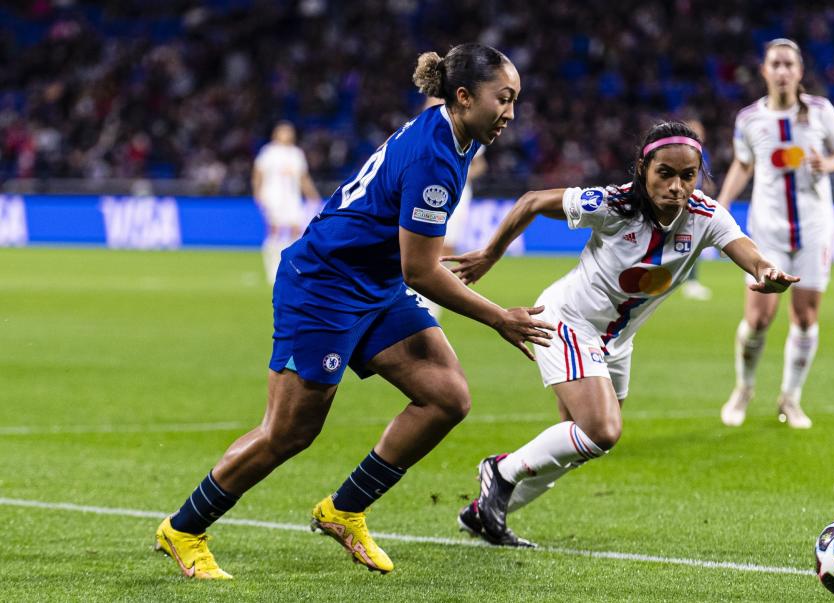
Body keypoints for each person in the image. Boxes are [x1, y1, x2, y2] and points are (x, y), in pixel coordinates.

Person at [154, 43, 553, 579]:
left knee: (446, 396)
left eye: (515, 101)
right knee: (289, 432)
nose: (511, 113)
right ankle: (184, 528)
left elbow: (407, 265)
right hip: (325, 285)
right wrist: (498, 317)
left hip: (376, 284)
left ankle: (345, 509)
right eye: (503, 100)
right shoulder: (437, 157)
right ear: (463, 96)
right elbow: (422, 271)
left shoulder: (451, 131)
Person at [445, 121, 799, 546]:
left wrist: (765, 270)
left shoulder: (704, 216)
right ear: (643, 168)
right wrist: (489, 255)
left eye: (688, 175)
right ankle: (500, 472)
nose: (677, 186)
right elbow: (533, 201)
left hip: (615, 343)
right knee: (602, 430)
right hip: (567, 322)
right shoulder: (613, 205)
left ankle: (485, 514)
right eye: (665, 173)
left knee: (575, 445)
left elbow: (744, 248)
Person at [716, 38, 834, 429]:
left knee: (806, 316)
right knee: (759, 318)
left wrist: (825, 163)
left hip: (813, 229)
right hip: (767, 232)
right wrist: (721, 206)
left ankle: (790, 399)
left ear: (799, 72)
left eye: (788, 65)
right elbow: (743, 165)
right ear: (764, 71)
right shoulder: (749, 120)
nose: (781, 71)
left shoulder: (820, 111)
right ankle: (744, 389)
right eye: (774, 64)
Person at [418, 96, 489, 319]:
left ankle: (433, 304)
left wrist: (460, 175)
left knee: (445, 248)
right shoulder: (422, 134)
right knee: (421, 247)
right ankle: (419, 300)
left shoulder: (465, 134)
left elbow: (480, 164)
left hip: (457, 194)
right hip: (427, 190)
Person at [252, 121, 321, 285]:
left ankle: (289, 266)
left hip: (292, 198)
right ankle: (271, 268)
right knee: (274, 230)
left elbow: (303, 178)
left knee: (296, 231)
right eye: (283, 131)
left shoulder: (296, 153)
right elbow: (258, 174)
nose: (287, 134)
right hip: (273, 197)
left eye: (289, 131)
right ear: (276, 133)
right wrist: (258, 193)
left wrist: (312, 195)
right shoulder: (268, 152)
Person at [681, 117, 714, 301]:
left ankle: (690, 282)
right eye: (697, 130)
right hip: (684, 202)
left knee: (692, 242)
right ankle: (690, 283)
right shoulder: (685, 152)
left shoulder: (703, 152)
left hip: (696, 200)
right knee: (689, 242)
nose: (701, 134)